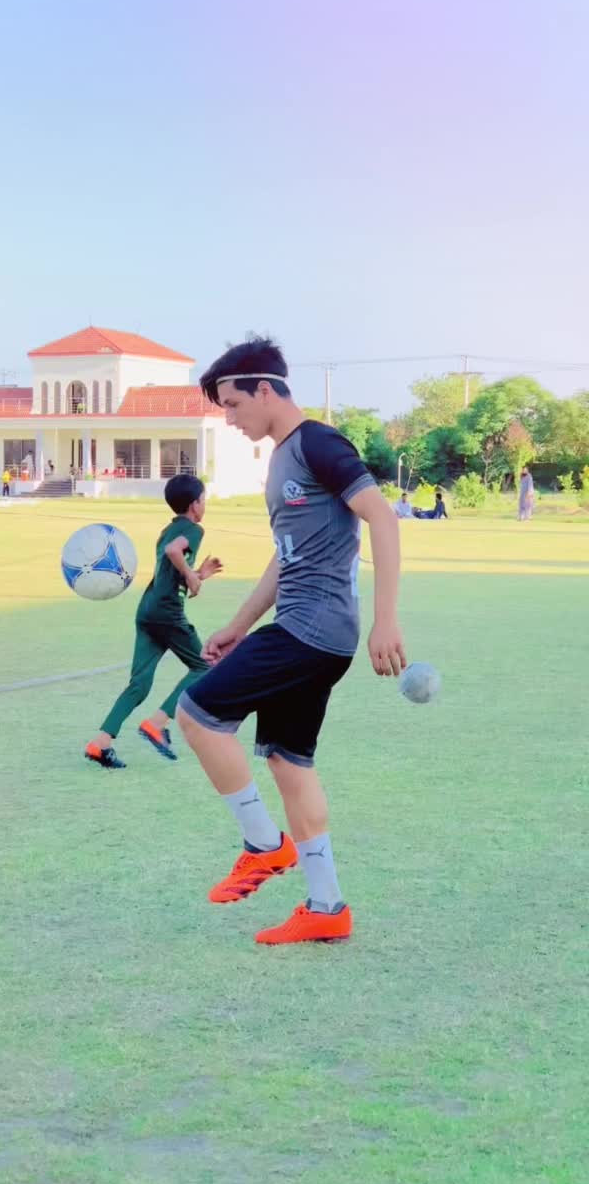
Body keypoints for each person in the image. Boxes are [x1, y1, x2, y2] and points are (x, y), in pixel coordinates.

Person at [176, 337, 405, 947]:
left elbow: (382, 517)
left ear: (266, 390)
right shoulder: (281, 458)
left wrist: (386, 619)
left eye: (233, 404)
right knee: (287, 760)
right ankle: (327, 907)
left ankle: (262, 845)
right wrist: (238, 624)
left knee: (197, 715)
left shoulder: (319, 444)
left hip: (313, 629)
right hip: (310, 630)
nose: (230, 419)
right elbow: (288, 555)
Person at [84, 474, 223, 769]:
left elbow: (170, 569)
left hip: (148, 610)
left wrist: (199, 574)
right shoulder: (194, 529)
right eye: (203, 499)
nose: (204, 505)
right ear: (194, 504)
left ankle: (100, 744)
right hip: (167, 612)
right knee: (204, 666)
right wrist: (191, 575)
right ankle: (156, 724)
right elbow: (175, 554)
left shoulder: (166, 530)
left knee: (139, 684)